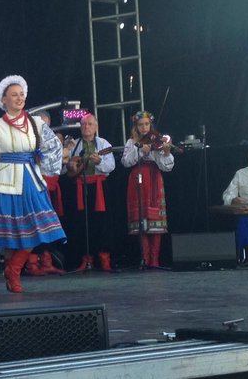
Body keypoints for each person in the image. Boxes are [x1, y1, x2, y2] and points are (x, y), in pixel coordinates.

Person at [0, 76, 67, 293]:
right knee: (9, 234)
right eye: (14, 95)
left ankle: (13, 269)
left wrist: (44, 167)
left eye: (21, 94)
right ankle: (12, 275)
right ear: (3, 100)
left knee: (37, 226)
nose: (19, 98)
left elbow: (54, 146)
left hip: (30, 179)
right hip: (5, 180)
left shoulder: (36, 123)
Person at [121, 110, 175, 270]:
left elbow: (167, 167)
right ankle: (144, 259)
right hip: (137, 181)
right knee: (141, 220)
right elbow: (125, 162)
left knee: (155, 221)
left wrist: (166, 152)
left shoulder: (157, 140)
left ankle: (154, 260)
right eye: (140, 125)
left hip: (153, 180)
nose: (144, 128)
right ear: (136, 127)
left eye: (147, 124)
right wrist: (139, 151)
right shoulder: (131, 142)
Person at [65, 113, 118, 272]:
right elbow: (65, 168)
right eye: (83, 124)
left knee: (102, 223)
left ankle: (104, 259)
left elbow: (111, 166)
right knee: (81, 223)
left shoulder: (103, 144)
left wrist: (99, 161)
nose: (86, 127)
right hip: (80, 187)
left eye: (89, 124)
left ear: (95, 127)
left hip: (99, 187)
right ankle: (85, 259)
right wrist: (71, 165)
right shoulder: (74, 145)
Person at [29, 110, 67, 275]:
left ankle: (46, 261)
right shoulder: (30, 141)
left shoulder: (51, 140)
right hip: (35, 186)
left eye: (46, 126)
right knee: (35, 225)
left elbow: (59, 161)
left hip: (49, 187)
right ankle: (32, 264)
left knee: (48, 225)